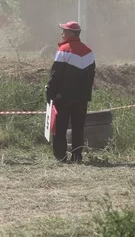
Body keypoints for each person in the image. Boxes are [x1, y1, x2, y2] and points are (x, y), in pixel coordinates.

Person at [45, 21, 95, 163]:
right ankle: (77, 157)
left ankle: (60, 156)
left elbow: (56, 74)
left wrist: (50, 91)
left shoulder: (64, 50)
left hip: (64, 98)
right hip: (82, 98)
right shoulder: (89, 51)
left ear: (72, 33)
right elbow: (91, 76)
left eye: (65, 31)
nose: (62, 34)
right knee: (78, 127)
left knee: (60, 127)